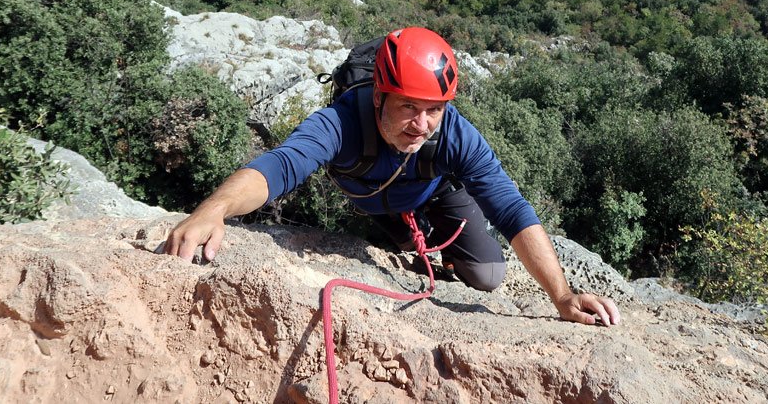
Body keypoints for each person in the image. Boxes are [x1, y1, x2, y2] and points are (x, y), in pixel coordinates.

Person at [163, 27, 620, 327]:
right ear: (379, 96)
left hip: (433, 195)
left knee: (488, 274)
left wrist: (562, 296)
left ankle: (434, 246)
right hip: (374, 202)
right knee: (392, 246)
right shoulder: (342, 122)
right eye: (408, 107)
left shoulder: (455, 135)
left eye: (434, 110)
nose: (422, 125)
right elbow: (281, 166)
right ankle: (404, 238)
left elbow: (511, 209)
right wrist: (214, 209)